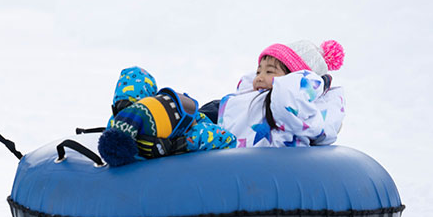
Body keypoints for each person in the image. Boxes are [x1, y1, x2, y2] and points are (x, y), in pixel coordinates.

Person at [98, 40, 345, 166]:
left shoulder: (292, 109)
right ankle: (128, 115)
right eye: (259, 69)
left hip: (218, 138)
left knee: (177, 112)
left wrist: (318, 81)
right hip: (211, 116)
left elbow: (291, 97)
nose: (259, 76)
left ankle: (145, 134)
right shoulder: (247, 96)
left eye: (270, 71)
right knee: (135, 75)